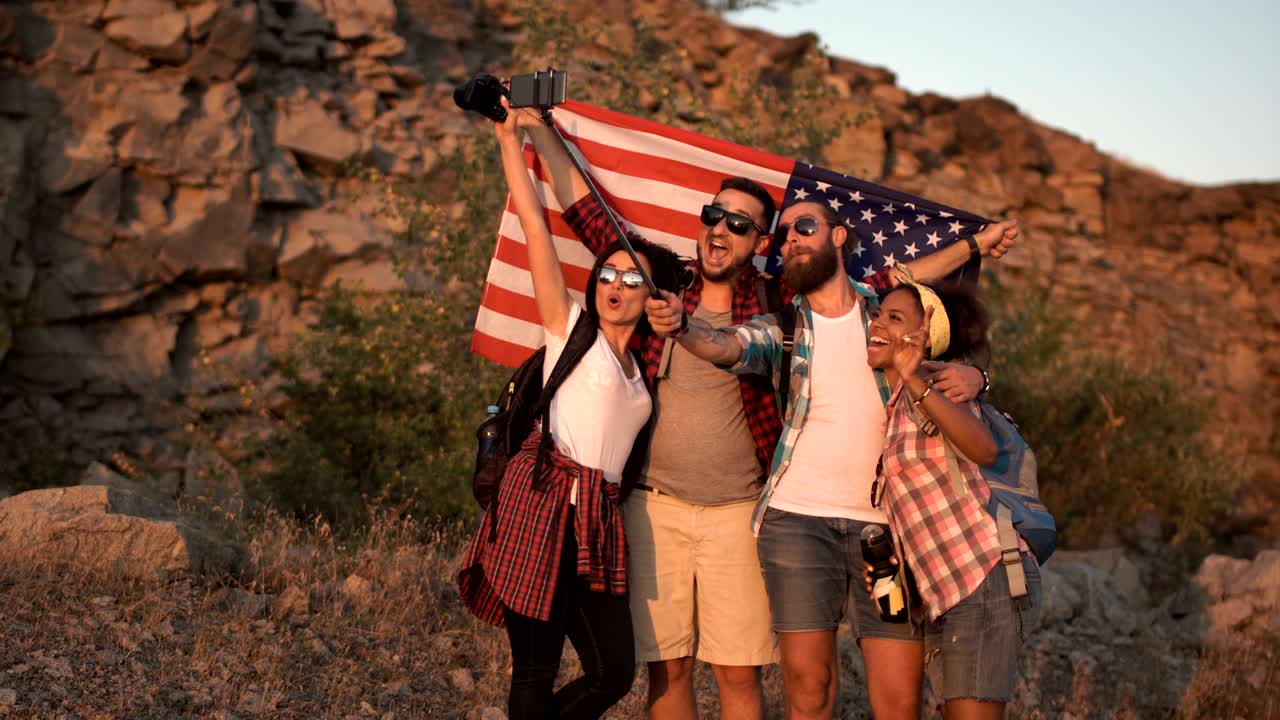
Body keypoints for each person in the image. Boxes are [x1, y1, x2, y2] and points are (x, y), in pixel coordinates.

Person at [522, 116, 1019, 719]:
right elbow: (602, 227)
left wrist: (974, 255)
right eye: (713, 216)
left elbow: (907, 290)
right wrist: (537, 132)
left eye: (743, 224)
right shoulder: (695, 294)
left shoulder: (817, 308)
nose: (721, 229)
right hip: (720, 517)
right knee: (723, 679)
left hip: (827, 525)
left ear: (776, 243)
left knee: (840, 688)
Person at [644, 198, 1004, 720]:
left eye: (804, 226)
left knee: (898, 701)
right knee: (808, 691)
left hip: (888, 533)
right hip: (795, 525)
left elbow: (945, 353)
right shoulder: (783, 326)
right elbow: (726, 345)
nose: (791, 237)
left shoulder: (888, 313)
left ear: (838, 237)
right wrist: (682, 328)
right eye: (785, 232)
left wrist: (980, 374)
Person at [456, 98, 681, 720]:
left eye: (633, 280)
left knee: (613, 671)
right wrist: (511, 140)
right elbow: (534, 225)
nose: (615, 286)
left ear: (653, 296)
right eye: (608, 275)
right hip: (545, 501)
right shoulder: (568, 330)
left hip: (598, 521)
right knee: (535, 667)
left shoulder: (646, 368)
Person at [863, 275, 1042, 720]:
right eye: (878, 313)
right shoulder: (899, 401)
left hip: (983, 576)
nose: (877, 323)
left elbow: (983, 448)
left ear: (926, 336)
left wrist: (920, 380)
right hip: (947, 596)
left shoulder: (936, 386)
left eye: (895, 317)